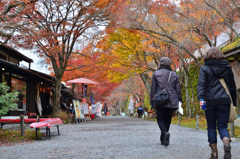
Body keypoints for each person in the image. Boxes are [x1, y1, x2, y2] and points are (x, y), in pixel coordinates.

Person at [197, 47, 236, 159]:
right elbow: (232, 86)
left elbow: (201, 86)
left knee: (211, 127)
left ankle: (214, 153)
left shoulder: (204, 68)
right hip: (224, 100)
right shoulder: (227, 67)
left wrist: (201, 99)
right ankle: (226, 143)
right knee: (223, 126)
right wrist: (233, 103)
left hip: (209, 102)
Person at [150, 57, 182, 146]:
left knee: (160, 119)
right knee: (168, 119)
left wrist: (152, 101)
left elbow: (153, 88)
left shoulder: (156, 74)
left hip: (160, 99)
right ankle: (164, 136)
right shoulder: (174, 74)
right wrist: (179, 99)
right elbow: (178, 89)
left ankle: (164, 133)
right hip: (172, 99)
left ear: (160, 64)